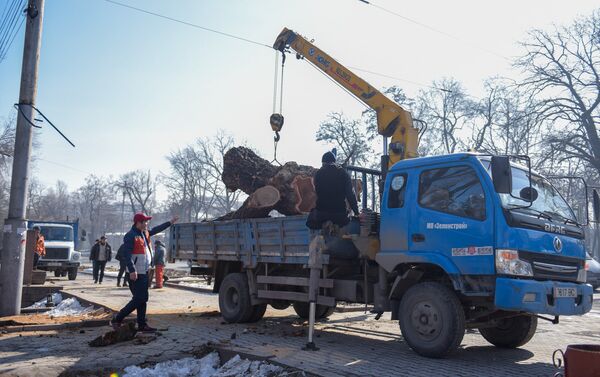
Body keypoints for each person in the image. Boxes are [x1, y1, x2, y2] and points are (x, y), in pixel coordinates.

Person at [111, 213, 178, 333]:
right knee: (139, 299)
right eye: (145, 222)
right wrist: (132, 270)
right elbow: (127, 255)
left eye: (147, 222)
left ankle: (142, 325)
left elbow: (157, 229)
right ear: (138, 223)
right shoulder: (130, 236)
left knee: (142, 299)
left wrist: (169, 223)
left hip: (144, 272)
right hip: (135, 273)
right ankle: (117, 318)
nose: (147, 224)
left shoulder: (145, 233)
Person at [307, 151, 359, 229]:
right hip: (339, 214)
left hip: (321, 214)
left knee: (310, 222)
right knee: (346, 221)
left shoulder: (318, 174)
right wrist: (356, 212)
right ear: (334, 162)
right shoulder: (343, 173)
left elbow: (318, 192)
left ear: (323, 163)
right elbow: (350, 194)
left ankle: (320, 235)